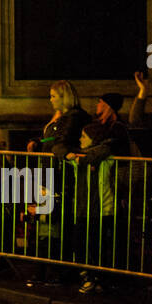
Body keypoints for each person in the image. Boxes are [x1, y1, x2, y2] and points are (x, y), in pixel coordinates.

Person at [64, 93, 131, 292]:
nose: (97, 105)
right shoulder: (98, 128)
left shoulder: (116, 129)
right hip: (88, 203)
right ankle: (92, 275)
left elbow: (106, 150)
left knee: (100, 242)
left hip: (104, 202)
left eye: (100, 102)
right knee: (86, 240)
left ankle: (102, 278)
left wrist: (82, 157)